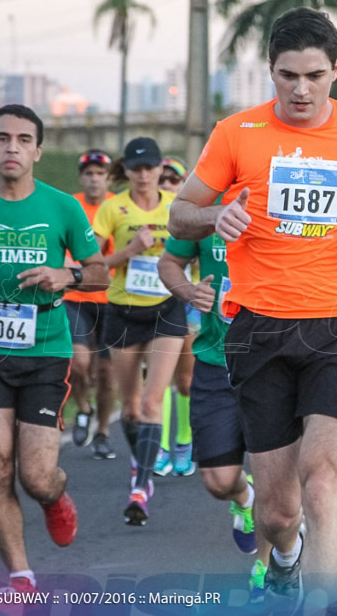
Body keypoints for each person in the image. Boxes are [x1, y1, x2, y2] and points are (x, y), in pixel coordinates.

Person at [169, 7, 337, 606]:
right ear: (270, 72)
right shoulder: (236, 133)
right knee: (279, 512)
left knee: (323, 484)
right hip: (260, 332)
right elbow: (181, 212)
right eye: (286, 76)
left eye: (313, 76)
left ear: (335, 71)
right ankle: (285, 555)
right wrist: (213, 214)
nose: (300, 89)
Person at [0, 104, 109, 593]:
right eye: (2, 138)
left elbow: (99, 270)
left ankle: (54, 498)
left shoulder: (62, 207)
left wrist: (68, 274)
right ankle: (21, 576)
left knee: (36, 475)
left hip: (45, 348)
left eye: (22, 139)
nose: (11, 147)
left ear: (38, 150)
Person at [157, 206, 272, 604]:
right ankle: (245, 498)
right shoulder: (208, 205)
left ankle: (267, 567)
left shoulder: (290, 194)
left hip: (275, 364)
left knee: (280, 480)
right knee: (218, 481)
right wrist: (188, 291)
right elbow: (170, 261)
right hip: (215, 360)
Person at [93, 138, 188, 525]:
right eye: (136, 168)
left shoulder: (176, 208)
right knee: (130, 407)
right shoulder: (113, 208)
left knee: (153, 402)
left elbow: (192, 254)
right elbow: (96, 264)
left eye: (150, 167)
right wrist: (129, 250)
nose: (144, 174)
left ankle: (140, 486)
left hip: (168, 312)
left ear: (158, 168)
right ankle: (143, 464)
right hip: (123, 312)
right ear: (127, 170)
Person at [65, 149, 117, 459]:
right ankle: (83, 406)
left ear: (108, 179)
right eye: (89, 174)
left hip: (111, 300)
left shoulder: (117, 208)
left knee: (108, 374)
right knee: (79, 362)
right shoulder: (71, 206)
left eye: (100, 174)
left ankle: (103, 431)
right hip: (75, 297)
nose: (94, 179)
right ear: (82, 178)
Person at [155, 157, 196, 477]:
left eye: (174, 179)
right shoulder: (139, 212)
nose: (166, 184)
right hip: (155, 302)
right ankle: (161, 447)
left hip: (190, 301)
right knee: (157, 380)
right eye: (163, 178)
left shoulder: (191, 215)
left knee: (184, 379)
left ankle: (184, 441)